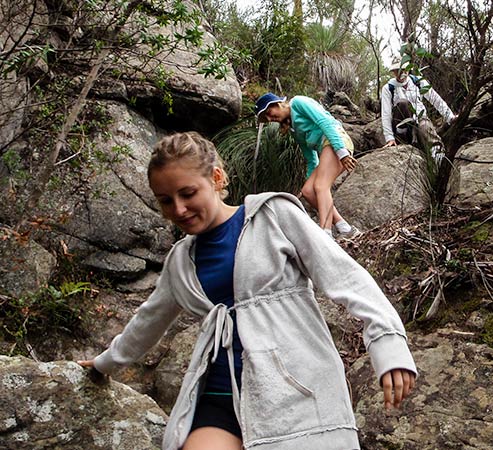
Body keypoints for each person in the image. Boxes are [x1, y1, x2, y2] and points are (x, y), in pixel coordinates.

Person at [77, 132, 417, 450]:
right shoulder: (179, 261)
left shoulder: (273, 217)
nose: (178, 209)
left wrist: (388, 344)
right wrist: (105, 363)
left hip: (295, 396)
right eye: (166, 200)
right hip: (219, 399)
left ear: (217, 178)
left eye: (188, 193)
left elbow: (344, 276)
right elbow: (148, 320)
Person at [255, 92, 359, 240]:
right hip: (326, 150)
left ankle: (325, 234)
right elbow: (310, 158)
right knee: (309, 191)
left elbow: (325, 122)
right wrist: (308, 180)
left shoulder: (298, 102)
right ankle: (345, 228)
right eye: (266, 119)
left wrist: (342, 153)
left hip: (336, 141)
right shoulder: (293, 129)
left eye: (268, 113)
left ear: (276, 104)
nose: (270, 119)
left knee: (321, 186)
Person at [380, 58, 456, 159]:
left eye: (403, 69)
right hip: (401, 124)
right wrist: (389, 138)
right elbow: (386, 113)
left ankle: (438, 156)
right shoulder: (388, 88)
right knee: (403, 103)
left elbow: (435, 99)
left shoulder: (418, 82)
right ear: (393, 72)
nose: (401, 73)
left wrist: (450, 117)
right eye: (397, 70)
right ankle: (403, 140)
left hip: (420, 118)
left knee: (425, 126)